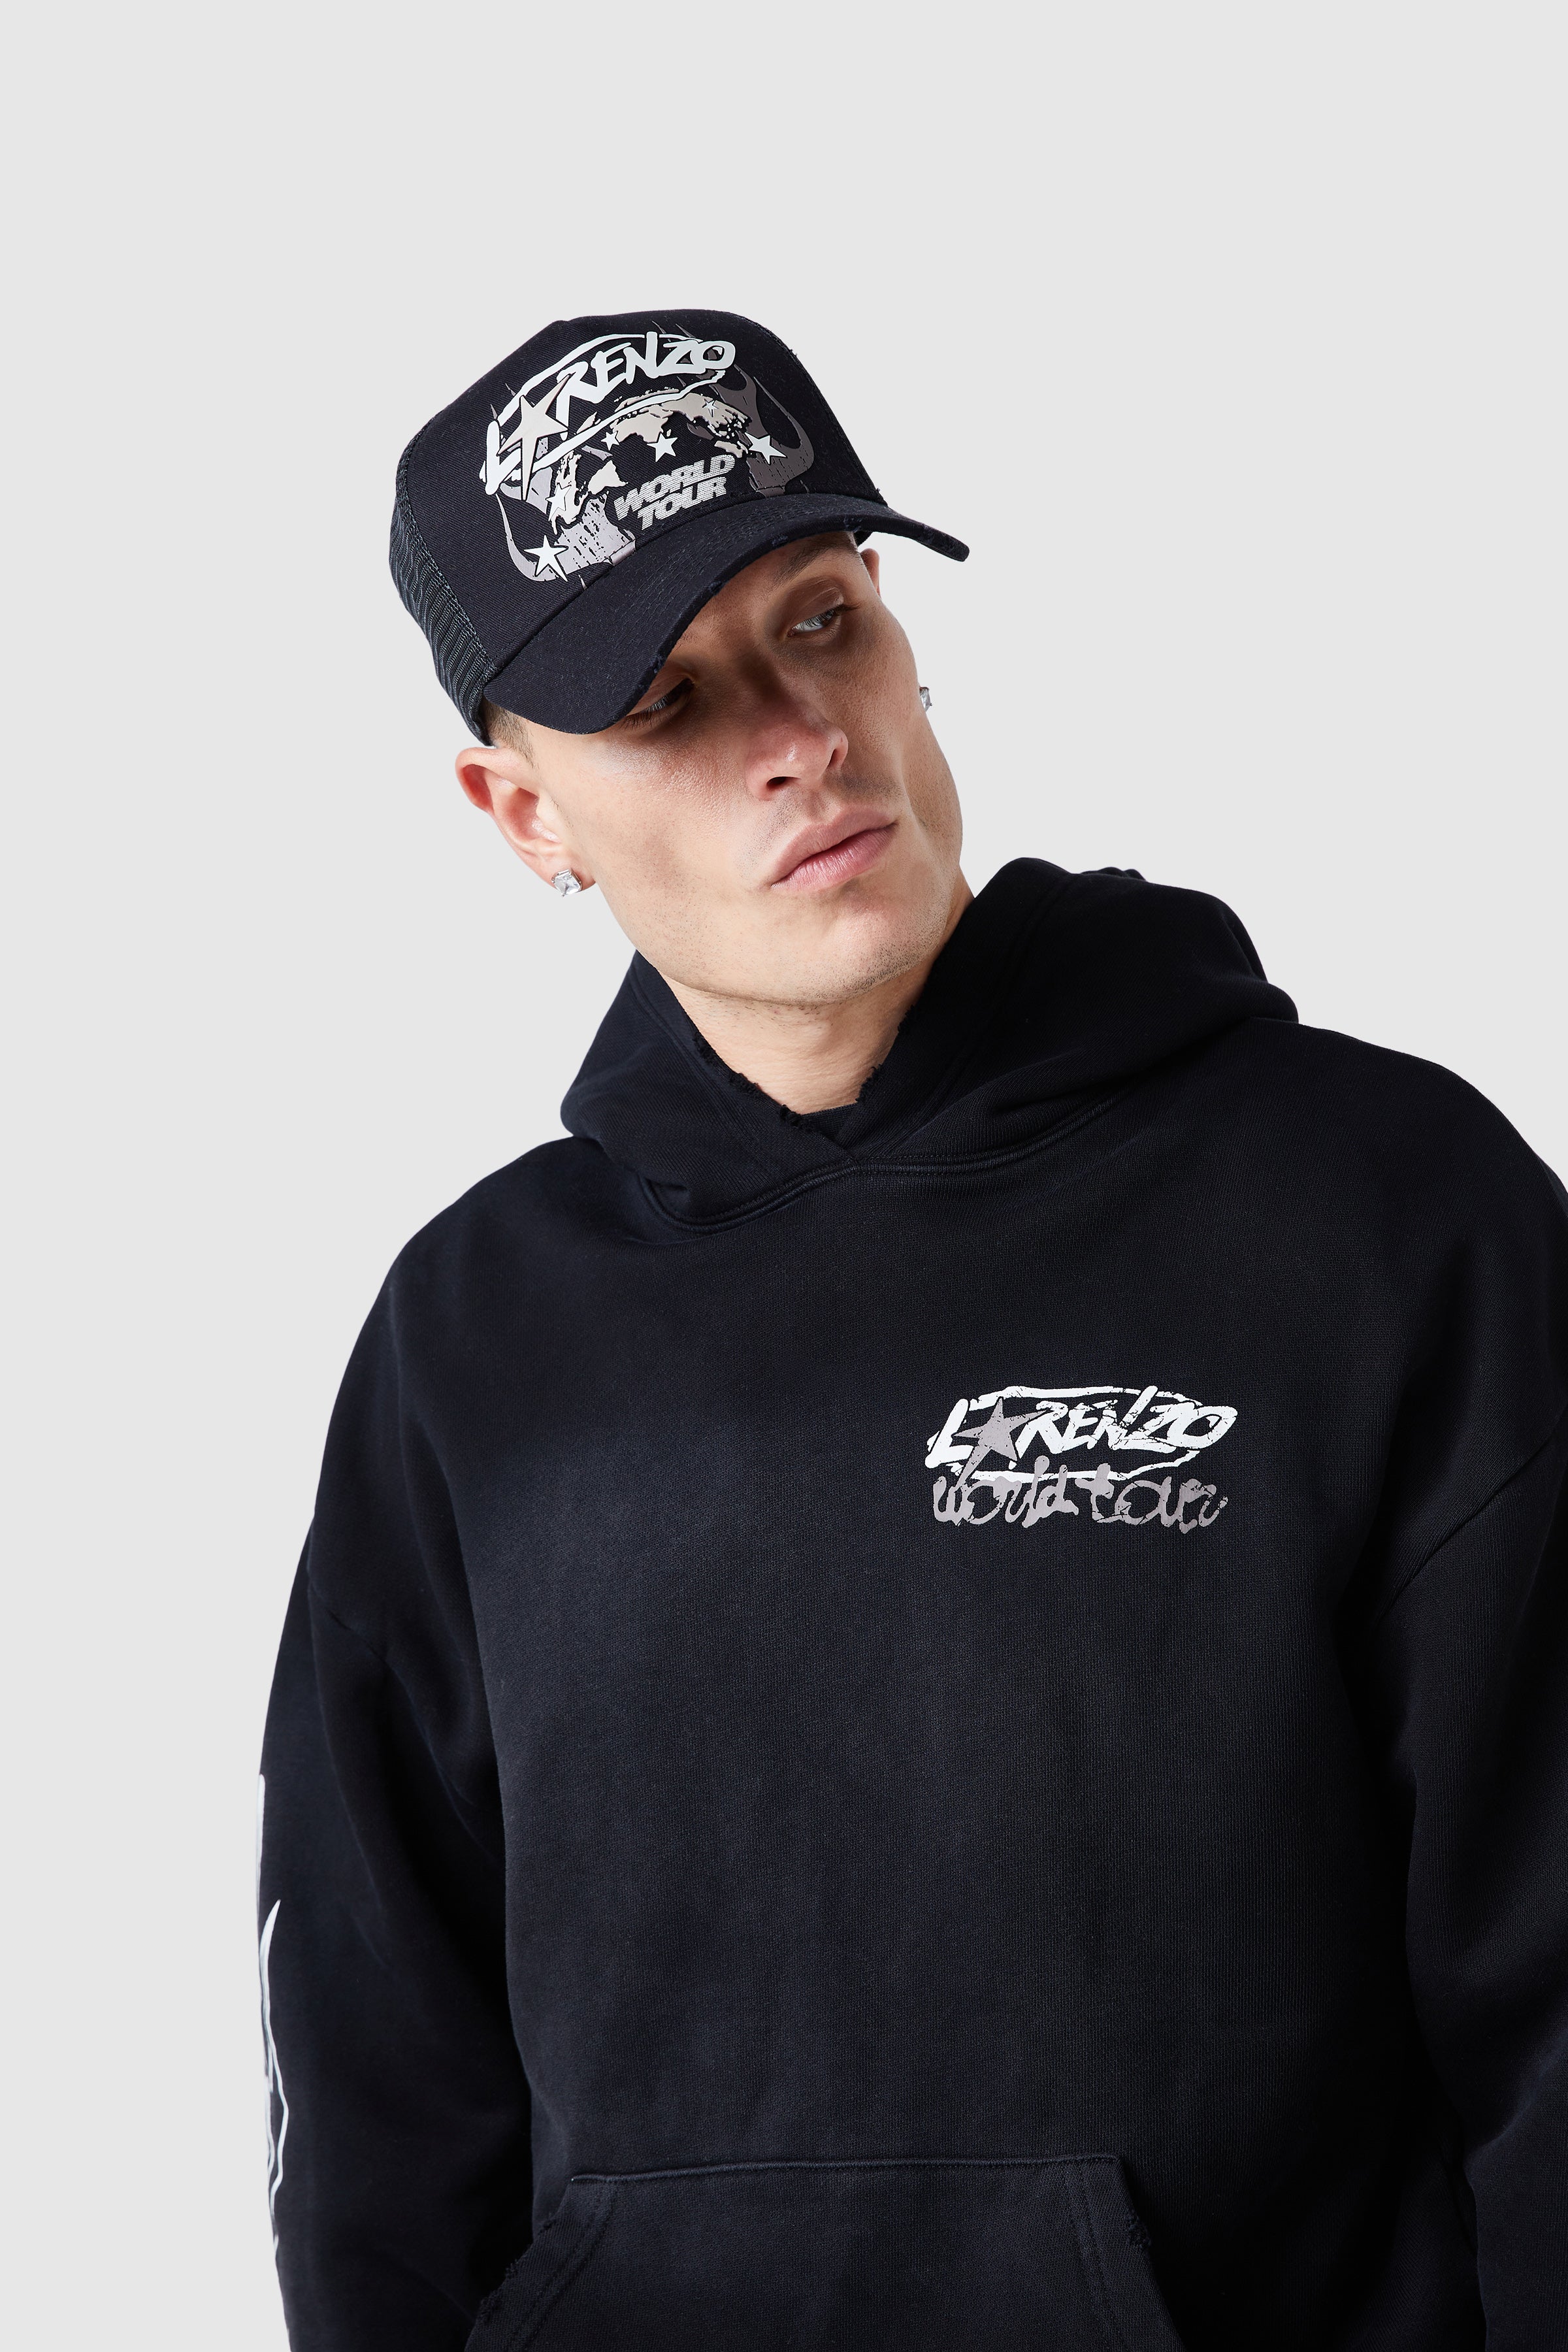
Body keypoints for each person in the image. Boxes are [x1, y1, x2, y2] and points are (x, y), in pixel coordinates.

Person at [258, 310, 1568, 2352]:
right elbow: (377, 2098)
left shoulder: (1388, 1215)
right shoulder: (470, 1346)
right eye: (666, 701)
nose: (800, 735)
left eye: (820, 622)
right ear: (523, 817)